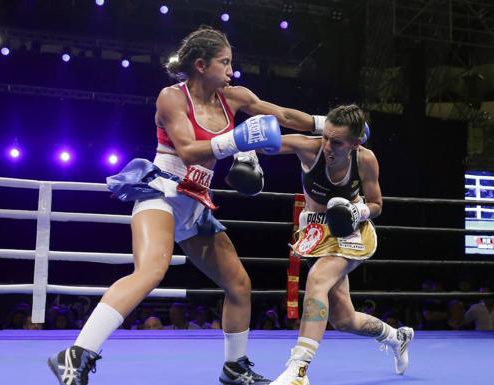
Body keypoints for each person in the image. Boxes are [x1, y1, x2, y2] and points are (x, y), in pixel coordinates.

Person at [48, 25, 319, 385]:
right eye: (225, 63)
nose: (231, 70)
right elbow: (189, 150)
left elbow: (282, 116)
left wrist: (327, 126)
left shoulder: (233, 97)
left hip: (196, 202)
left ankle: (234, 367)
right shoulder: (171, 98)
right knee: (150, 272)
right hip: (161, 193)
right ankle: (76, 354)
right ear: (201, 64)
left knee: (239, 284)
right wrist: (236, 140)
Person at [264, 105, 414, 385]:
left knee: (317, 279)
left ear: (356, 143)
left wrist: (359, 212)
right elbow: (266, 144)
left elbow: (377, 203)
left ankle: (298, 372)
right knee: (344, 319)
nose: (328, 146)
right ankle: (396, 336)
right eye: (326, 137)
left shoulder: (365, 159)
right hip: (314, 233)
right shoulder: (309, 148)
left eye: (337, 142)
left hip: (349, 230)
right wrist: (245, 149)